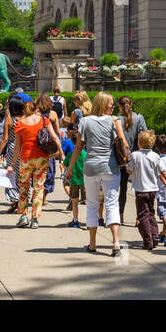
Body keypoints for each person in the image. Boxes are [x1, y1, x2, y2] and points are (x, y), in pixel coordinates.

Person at [64, 92, 129, 256]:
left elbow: (78, 146)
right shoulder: (115, 121)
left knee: (92, 205)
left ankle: (93, 244)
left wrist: (70, 168)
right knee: (112, 203)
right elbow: (123, 143)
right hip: (111, 167)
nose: (113, 107)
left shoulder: (85, 121)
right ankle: (115, 243)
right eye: (111, 104)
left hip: (91, 168)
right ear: (103, 104)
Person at [12, 100, 62, 228]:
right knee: (38, 188)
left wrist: (12, 163)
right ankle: (35, 218)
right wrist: (61, 152)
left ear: (24, 110)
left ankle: (23, 216)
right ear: (35, 109)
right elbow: (55, 137)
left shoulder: (20, 123)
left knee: (23, 187)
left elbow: (17, 146)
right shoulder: (44, 121)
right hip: (42, 158)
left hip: (26, 159)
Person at [127, 130, 166, 251]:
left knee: (142, 215)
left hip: (141, 190)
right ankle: (155, 235)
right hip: (153, 190)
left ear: (139, 143)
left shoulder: (135, 155)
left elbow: (129, 170)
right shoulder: (155, 156)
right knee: (151, 212)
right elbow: (162, 171)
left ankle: (148, 241)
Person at [116, 95, 147, 220]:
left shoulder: (116, 119)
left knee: (122, 188)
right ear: (131, 104)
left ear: (119, 106)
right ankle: (138, 218)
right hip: (137, 157)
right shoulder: (139, 118)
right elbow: (144, 134)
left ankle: (121, 215)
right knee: (139, 189)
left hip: (122, 158)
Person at [65, 118, 86, 228]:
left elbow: (65, 164)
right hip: (85, 181)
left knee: (75, 201)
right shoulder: (85, 154)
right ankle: (90, 220)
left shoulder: (70, 155)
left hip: (74, 181)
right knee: (87, 201)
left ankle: (75, 219)